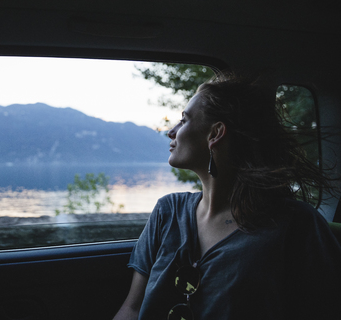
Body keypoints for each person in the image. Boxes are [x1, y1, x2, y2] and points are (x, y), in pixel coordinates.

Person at [112, 73, 341, 320]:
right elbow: (133, 308)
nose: (171, 131)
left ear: (215, 134)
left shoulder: (296, 224)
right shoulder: (167, 211)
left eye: (184, 120)